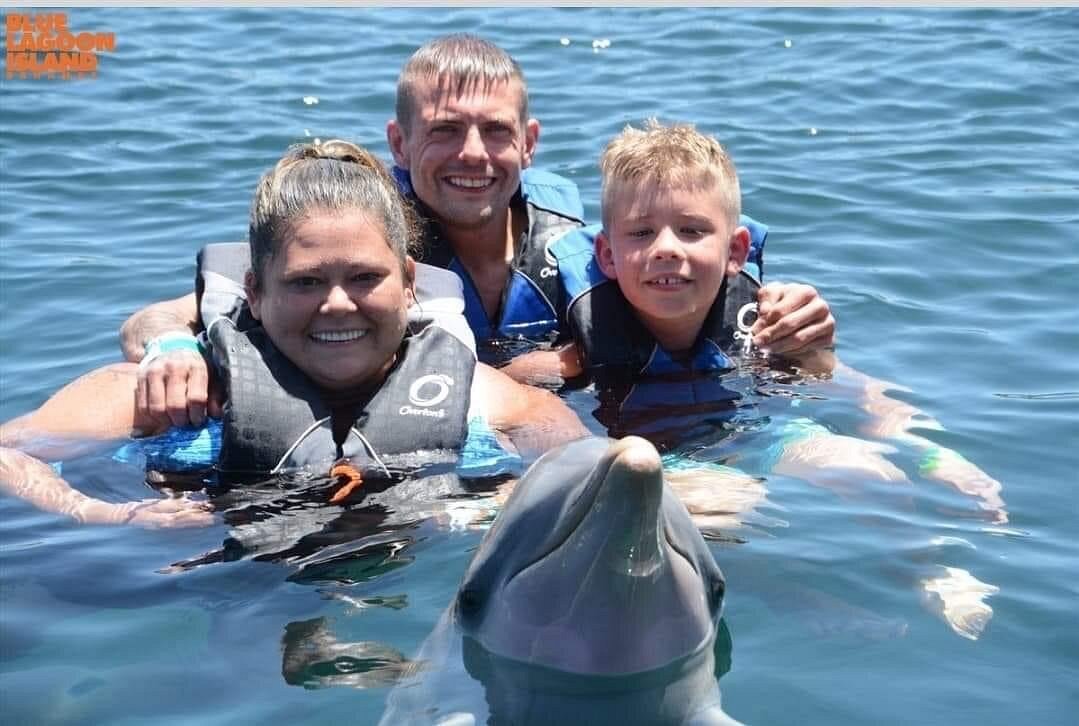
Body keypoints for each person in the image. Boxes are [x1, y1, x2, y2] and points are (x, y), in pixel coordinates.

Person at [117, 33, 837, 430]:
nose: (471, 154)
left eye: (494, 132)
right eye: (443, 132)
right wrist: (174, 345)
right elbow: (177, 310)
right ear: (398, 145)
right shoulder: (360, 241)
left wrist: (784, 313)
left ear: (527, 143)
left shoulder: (575, 239)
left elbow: (685, 270)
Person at [0, 139, 590, 528]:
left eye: (364, 278)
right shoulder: (172, 395)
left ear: (410, 283)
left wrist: (503, 504)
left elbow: (592, 472)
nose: (338, 305)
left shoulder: (475, 395)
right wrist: (104, 516)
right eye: (306, 282)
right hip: (192, 591)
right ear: (254, 291)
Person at [511, 119, 1006, 527]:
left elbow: (856, 390)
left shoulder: (761, 326)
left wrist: (929, 454)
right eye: (641, 232)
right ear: (609, 255)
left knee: (871, 475)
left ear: (736, 251)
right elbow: (507, 393)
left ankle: (927, 567)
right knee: (727, 506)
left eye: (692, 230)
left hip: (748, 436)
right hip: (636, 460)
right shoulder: (582, 347)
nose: (666, 247)